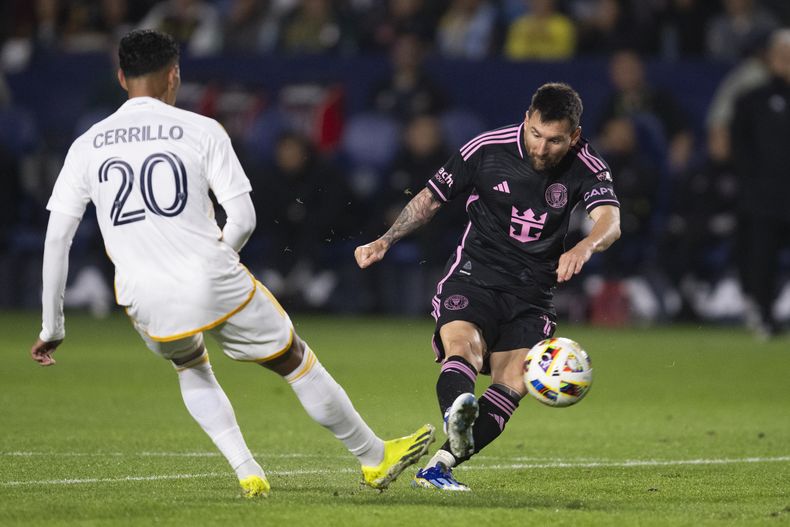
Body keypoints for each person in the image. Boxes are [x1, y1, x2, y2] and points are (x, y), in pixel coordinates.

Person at [28, 29, 434, 499]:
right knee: (294, 359)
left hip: (141, 293)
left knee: (190, 366)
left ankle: (247, 470)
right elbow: (243, 217)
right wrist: (219, 261)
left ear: (121, 77)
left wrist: (53, 326)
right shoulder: (201, 129)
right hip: (209, 272)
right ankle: (373, 456)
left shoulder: (86, 144)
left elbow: (57, 238)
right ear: (174, 75)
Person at [355, 82, 621, 490]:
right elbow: (430, 199)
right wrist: (385, 240)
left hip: (533, 292)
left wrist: (585, 246)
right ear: (526, 119)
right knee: (464, 346)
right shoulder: (486, 148)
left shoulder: (586, 163)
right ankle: (455, 413)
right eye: (536, 134)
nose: (542, 148)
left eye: (554, 140)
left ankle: (439, 466)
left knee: (512, 383)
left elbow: (610, 221)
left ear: (574, 136)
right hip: (475, 274)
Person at [731, 28, 790, 339]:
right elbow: (739, 148)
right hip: (764, 197)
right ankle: (763, 316)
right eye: (783, 55)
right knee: (761, 259)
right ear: (771, 58)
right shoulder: (752, 100)